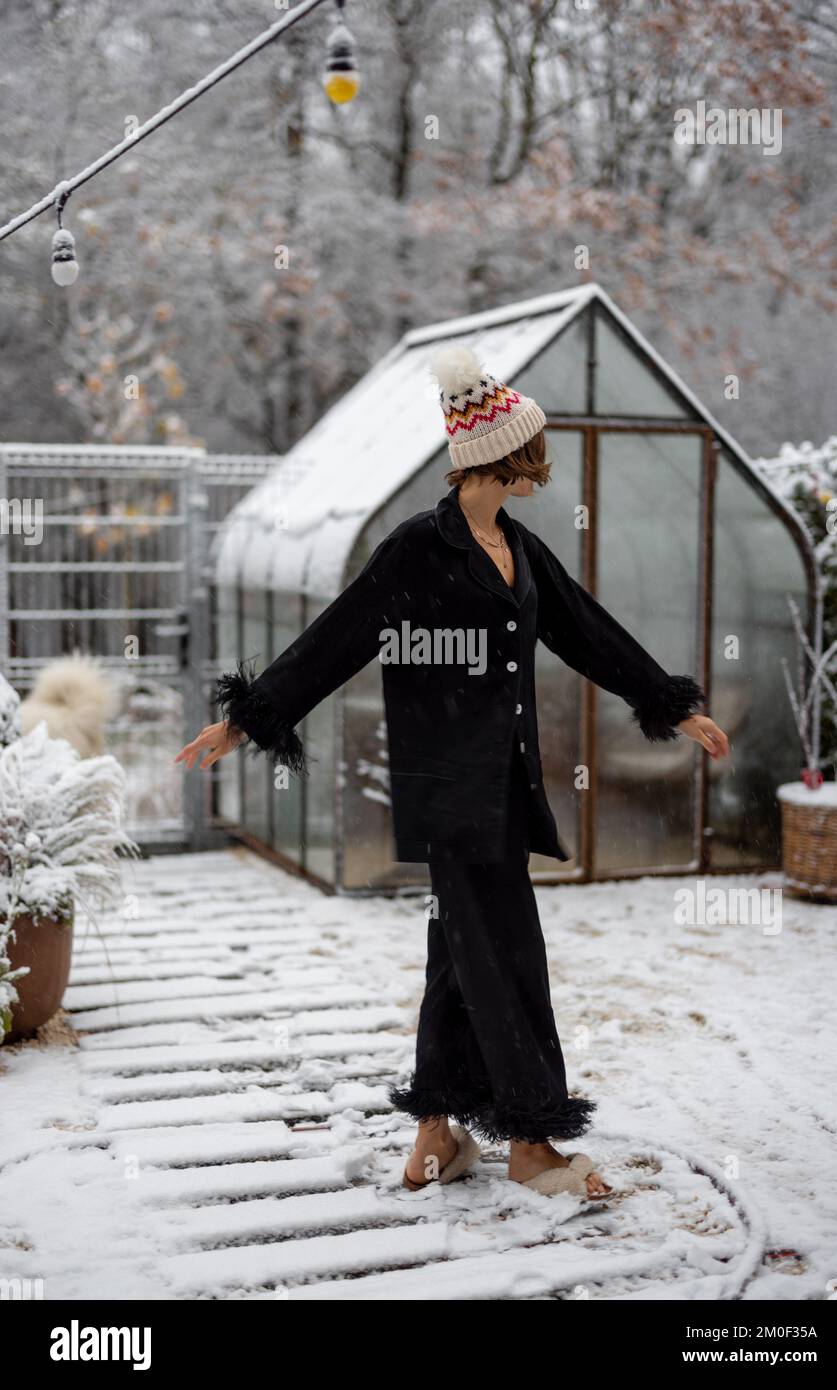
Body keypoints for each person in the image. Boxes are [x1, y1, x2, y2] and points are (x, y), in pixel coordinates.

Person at [177, 344, 730, 1200]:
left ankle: (437, 1133)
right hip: (447, 788)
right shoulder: (414, 552)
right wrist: (245, 720)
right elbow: (337, 637)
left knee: (458, 950)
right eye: (528, 449)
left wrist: (668, 701)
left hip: (501, 785)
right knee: (506, 951)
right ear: (495, 456)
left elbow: (586, 628)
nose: (539, 463)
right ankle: (533, 1140)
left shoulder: (516, 544)